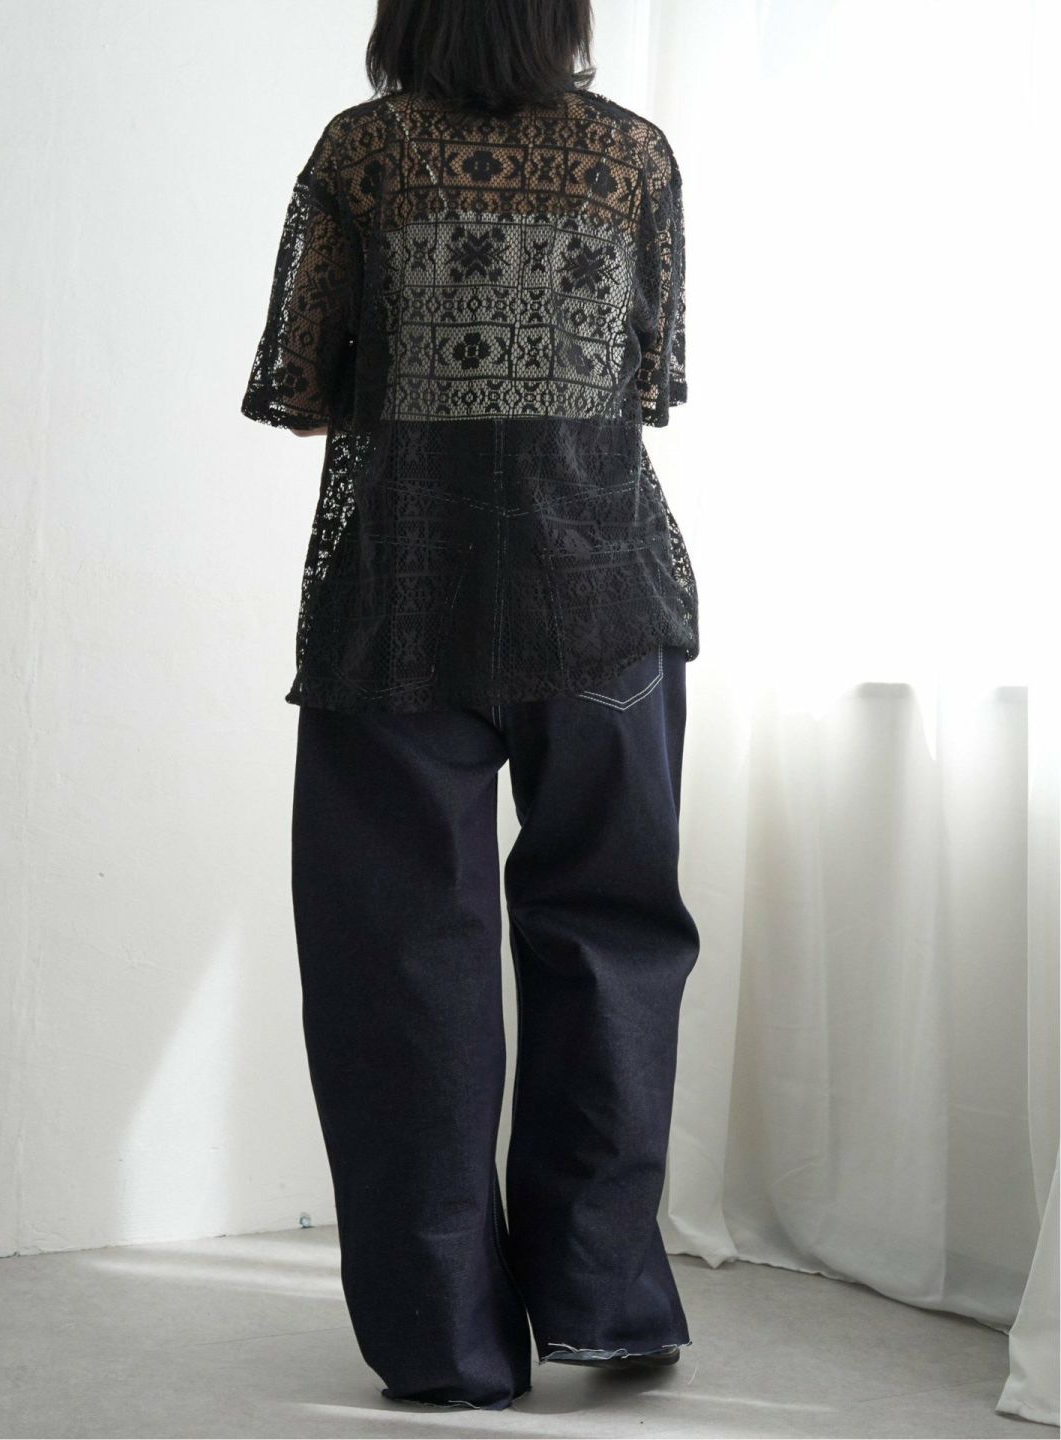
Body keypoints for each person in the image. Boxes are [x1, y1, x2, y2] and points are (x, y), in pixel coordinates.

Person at [240, 0, 700, 1412]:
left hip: (401, 602)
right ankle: (604, 1302)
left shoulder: (360, 154)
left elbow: (300, 388)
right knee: (612, 945)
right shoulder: (635, 156)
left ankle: (445, 1343)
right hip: (607, 599)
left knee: (399, 968)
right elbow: (650, 384)